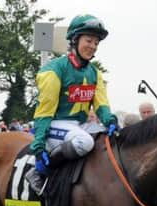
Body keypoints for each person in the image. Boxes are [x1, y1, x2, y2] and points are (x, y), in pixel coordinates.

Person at [25, 14, 118, 193]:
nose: (92, 46)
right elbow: (44, 111)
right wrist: (39, 144)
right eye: (88, 40)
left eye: (96, 43)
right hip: (55, 124)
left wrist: (110, 121)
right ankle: (39, 172)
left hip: (80, 125)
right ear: (75, 40)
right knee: (85, 142)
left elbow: (101, 105)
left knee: (110, 140)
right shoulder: (53, 70)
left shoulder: (95, 73)